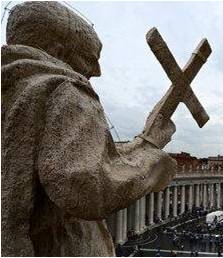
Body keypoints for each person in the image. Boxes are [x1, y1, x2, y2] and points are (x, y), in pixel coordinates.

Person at [1, 1, 176, 256]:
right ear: (57, 50)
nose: (97, 71)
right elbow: (88, 186)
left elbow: (85, 154)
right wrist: (150, 156)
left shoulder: (13, 86)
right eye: (90, 59)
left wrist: (143, 141)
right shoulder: (62, 90)